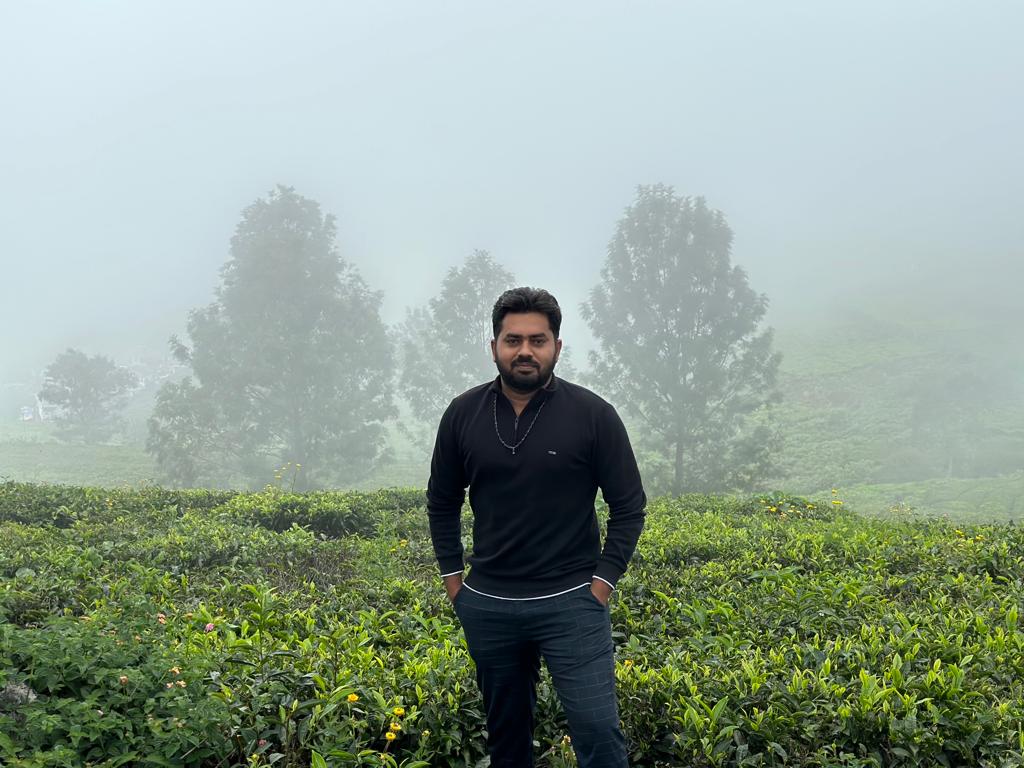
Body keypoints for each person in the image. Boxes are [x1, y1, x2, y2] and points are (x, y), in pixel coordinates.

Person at [426, 286, 646, 768]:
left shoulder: (594, 415)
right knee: (506, 740)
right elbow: (442, 500)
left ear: (557, 347)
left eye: (537, 340)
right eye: (513, 340)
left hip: (573, 603)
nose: (525, 350)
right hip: (489, 605)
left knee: (599, 735)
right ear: (494, 347)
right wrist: (454, 581)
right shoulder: (462, 414)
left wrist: (602, 584)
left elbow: (629, 507)